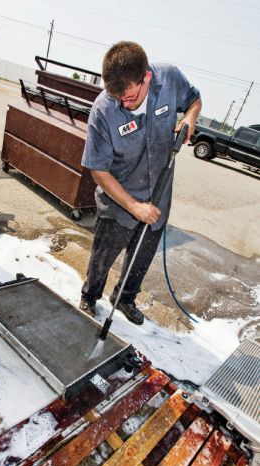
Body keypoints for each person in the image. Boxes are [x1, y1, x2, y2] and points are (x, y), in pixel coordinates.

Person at [79, 41, 202, 325]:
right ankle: (90, 295)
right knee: (102, 257)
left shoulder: (169, 78)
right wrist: (133, 206)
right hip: (119, 197)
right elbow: (98, 170)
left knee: (141, 257)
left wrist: (190, 118)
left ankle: (124, 297)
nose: (124, 103)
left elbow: (194, 99)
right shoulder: (103, 110)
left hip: (158, 194)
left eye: (131, 96)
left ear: (146, 77)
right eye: (118, 98)